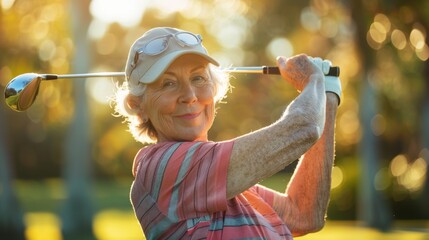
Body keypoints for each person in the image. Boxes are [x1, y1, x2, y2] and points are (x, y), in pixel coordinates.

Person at [113, 27, 341, 239]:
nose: (190, 95)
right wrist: (314, 81)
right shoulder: (161, 169)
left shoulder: (224, 179)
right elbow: (304, 127)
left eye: (198, 78)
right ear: (137, 105)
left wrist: (328, 96)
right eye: (168, 84)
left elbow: (303, 214)